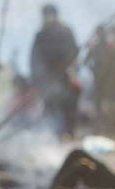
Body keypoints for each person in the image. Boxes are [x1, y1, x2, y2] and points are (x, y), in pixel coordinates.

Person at [30, 4, 80, 138]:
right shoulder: (41, 35)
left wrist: (73, 73)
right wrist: (38, 80)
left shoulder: (65, 32)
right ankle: (56, 136)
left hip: (64, 77)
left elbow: (74, 53)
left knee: (67, 107)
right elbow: (35, 59)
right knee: (52, 109)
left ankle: (68, 134)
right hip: (49, 79)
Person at [83, 24, 115, 120]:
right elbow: (86, 61)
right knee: (99, 102)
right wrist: (94, 70)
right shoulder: (95, 46)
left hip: (110, 79)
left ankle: (111, 122)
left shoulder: (111, 45)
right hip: (99, 78)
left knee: (110, 100)